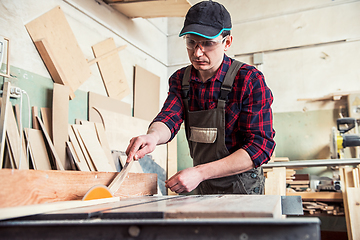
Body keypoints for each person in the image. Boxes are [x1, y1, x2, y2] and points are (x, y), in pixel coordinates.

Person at [126, 0, 275, 195]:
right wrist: (152, 136)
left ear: (227, 42)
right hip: (203, 184)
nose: (197, 53)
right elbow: (169, 117)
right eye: (191, 42)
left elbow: (260, 146)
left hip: (242, 187)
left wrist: (200, 172)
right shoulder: (181, 79)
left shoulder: (249, 80)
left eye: (208, 43)